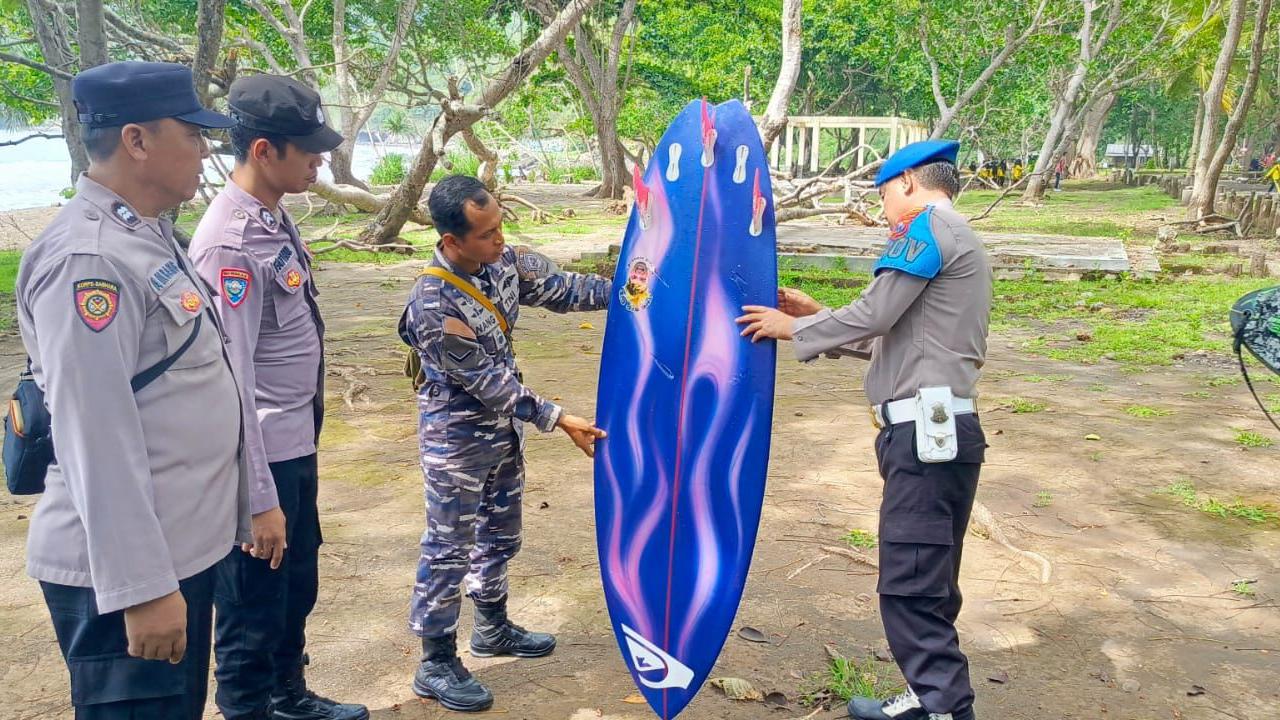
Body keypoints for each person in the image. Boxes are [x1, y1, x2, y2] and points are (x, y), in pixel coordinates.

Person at [15, 61, 249, 719]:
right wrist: (141, 587)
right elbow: (95, 434)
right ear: (137, 141)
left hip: (174, 551)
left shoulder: (143, 235)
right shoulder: (89, 259)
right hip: (125, 576)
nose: (204, 150)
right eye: (192, 133)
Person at [738, 139, 991, 720]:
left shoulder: (926, 227)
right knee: (928, 575)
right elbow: (891, 340)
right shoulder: (960, 237)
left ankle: (942, 706)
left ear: (908, 183)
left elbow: (875, 314)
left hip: (924, 436)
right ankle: (932, 697)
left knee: (910, 579)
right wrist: (816, 318)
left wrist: (788, 328)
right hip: (941, 432)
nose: (882, 208)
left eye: (882, 195)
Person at [188, 75, 367, 720]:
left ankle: (288, 695)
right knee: (252, 607)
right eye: (307, 148)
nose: (318, 159)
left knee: (294, 586)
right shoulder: (230, 244)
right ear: (264, 150)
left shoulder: (273, 217)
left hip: (293, 444)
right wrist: (257, 497)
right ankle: (249, 707)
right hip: (259, 455)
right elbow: (230, 377)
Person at [399, 175, 612, 712]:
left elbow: (565, 289)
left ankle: (492, 627)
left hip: (502, 433)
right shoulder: (433, 302)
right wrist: (558, 419)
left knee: (499, 535)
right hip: (456, 442)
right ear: (452, 241)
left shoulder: (504, 262)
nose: (500, 240)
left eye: (500, 226)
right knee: (448, 547)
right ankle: (435, 661)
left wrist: (637, 291)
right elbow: (488, 383)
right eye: (487, 234)